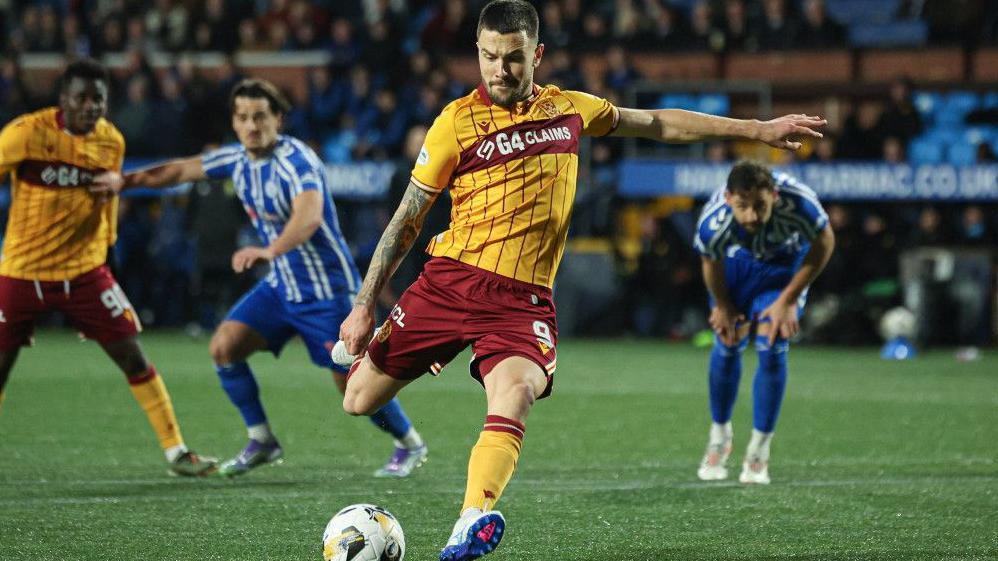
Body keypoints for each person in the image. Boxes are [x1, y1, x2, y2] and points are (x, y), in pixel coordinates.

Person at [337, 2, 825, 559]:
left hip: (520, 301)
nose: (500, 69)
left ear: (536, 55)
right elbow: (407, 219)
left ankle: (470, 521)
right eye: (489, 57)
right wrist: (363, 304)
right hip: (449, 282)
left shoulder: (569, 109)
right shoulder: (454, 123)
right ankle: (368, 359)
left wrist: (756, 129)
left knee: (516, 392)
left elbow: (659, 122)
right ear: (477, 52)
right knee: (358, 398)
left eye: (513, 57)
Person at [90, 79, 427, 478]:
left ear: (278, 119)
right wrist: (124, 182)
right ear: (234, 123)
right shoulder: (236, 159)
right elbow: (179, 169)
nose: (252, 126)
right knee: (224, 347)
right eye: (243, 117)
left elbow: (308, 216)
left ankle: (409, 443)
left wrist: (270, 250)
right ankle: (262, 439)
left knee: (351, 384)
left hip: (326, 290)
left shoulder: (297, 161)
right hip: (281, 286)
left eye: (260, 117)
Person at [0, 59, 216, 476]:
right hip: (22, 271)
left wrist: (107, 257)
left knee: (134, 358)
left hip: (84, 272)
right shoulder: (25, 134)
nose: (89, 106)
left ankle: (177, 452)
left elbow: (106, 204)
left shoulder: (110, 141)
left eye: (97, 99)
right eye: (80, 98)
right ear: (63, 99)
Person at [693, 160, 834, 485]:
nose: (752, 216)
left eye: (760, 205)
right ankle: (719, 436)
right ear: (729, 199)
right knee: (728, 339)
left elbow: (825, 242)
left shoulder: (800, 204)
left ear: (775, 196)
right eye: (743, 206)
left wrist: (788, 300)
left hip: (783, 271)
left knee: (772, 343)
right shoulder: (714, 222)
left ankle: (759, 449)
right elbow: (710, 262)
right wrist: (723, 306)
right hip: (737, 267)